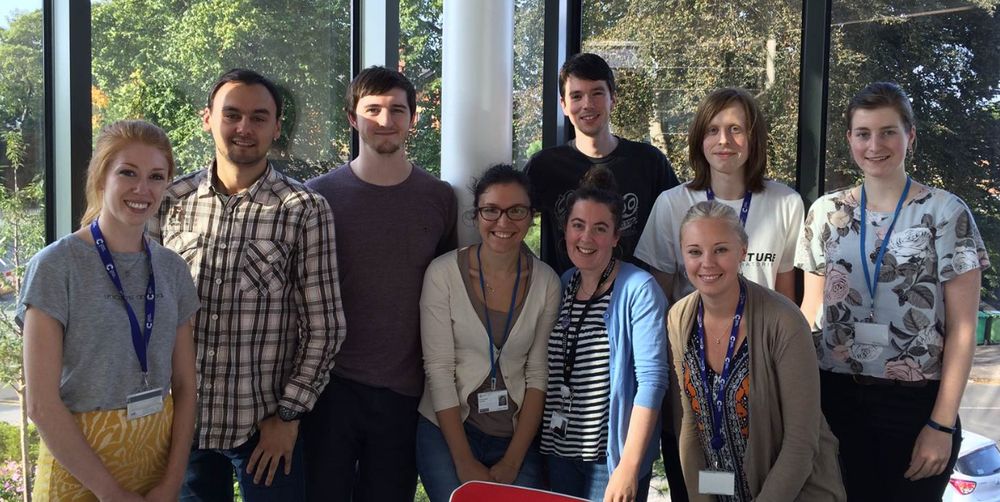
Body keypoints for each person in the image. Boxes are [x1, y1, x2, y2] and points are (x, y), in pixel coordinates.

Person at [149, 68, 346, 501]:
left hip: (263, 429)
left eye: (259, 117)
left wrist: (289, 416)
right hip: (181, 426)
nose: (244, 127)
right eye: (232, 114)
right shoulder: (169, 202)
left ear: (276, 128)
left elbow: (325, 327)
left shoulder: (303, 209)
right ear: (207, 118)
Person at [796, 82, 988, 501]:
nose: (875, 145)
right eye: (863, 133)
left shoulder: (945, 213)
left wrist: (941, 424)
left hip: (916, 407)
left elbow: (962, 330)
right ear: (850, 138)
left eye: (888, 132)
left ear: (910, 135)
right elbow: (810, 311)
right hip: (834, 399)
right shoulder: (826, 213)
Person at [20, 120, 199, 501]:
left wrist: (171, 483)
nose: (142, 189)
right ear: (101, 176)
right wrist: (111, 493)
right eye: (128, 173)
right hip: (79, 473)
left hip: (155, 468)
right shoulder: (56, 266)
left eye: (156, 176)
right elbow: (40, 404)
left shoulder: (172, 269)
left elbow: (185, 387)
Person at [303, 66, 458, 502]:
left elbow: (446, 291)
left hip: (404, 390)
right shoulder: (317, 197)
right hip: (329, 387)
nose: (385, 120)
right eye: (372, 110)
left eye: (396, 110)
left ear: (413, 118)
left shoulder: (439, 197)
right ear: (352, 118)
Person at [668, 201, 845, 501]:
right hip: (720, 491)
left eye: (720, 250)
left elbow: (801, 443)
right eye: (695, 252)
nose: (707, 262)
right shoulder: (679, 318)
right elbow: (689, 426)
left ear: (743, 251)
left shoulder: (784, 321)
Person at [416, 164, 562, 501]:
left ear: (531, 216)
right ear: (477, 214)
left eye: (516, 211)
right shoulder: (442, 275)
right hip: (448, 431)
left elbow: (538, 374)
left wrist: (513, 461)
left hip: (514, 435)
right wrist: (463, 461)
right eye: (491, 210)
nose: (503, 222)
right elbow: (439, 371)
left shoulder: (547, 282)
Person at [540, 167, 669, 502]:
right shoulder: (563, 284)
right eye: (578, 225)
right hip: (558, 451)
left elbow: (652, 382)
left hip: (608, 461)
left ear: (615, 236)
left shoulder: (639, 289)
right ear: (565, 229)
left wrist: (628, 466)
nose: (586, 237)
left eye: (600, 228)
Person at [636, 88, 803, 304]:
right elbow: (659, 302)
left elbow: (785, 300)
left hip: (763, 325)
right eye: (712, 130)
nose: (724, 140)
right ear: (699, 139)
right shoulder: (671, 203)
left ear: (754, 138)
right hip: (690, 326)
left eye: (735, 129)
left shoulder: (787, 203)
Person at [524, 52, 680, 276]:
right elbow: (509, 221)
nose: (587, 104)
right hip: (564, 294)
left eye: (597, 93)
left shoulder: (649, 161)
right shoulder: (544, 166)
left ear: (613, 99)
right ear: (564, 105)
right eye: (576, 96)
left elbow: (679, 227)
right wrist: (536, 275)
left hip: (634, 294)